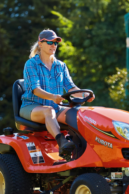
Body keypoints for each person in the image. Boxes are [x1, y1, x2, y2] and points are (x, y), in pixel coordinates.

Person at [20, 29, 95, 159]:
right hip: (32, 106)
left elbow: (70, 87)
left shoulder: (61, 66)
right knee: (49, 111)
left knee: (78, 114)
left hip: (55, 107)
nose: (53, 45)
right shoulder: (31, 64)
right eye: (50, 42)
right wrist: (53, 97)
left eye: (56, 43)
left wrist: (84, 95)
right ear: (40, 44)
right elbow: (36, 90)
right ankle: (62, 142)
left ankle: (81, 151)